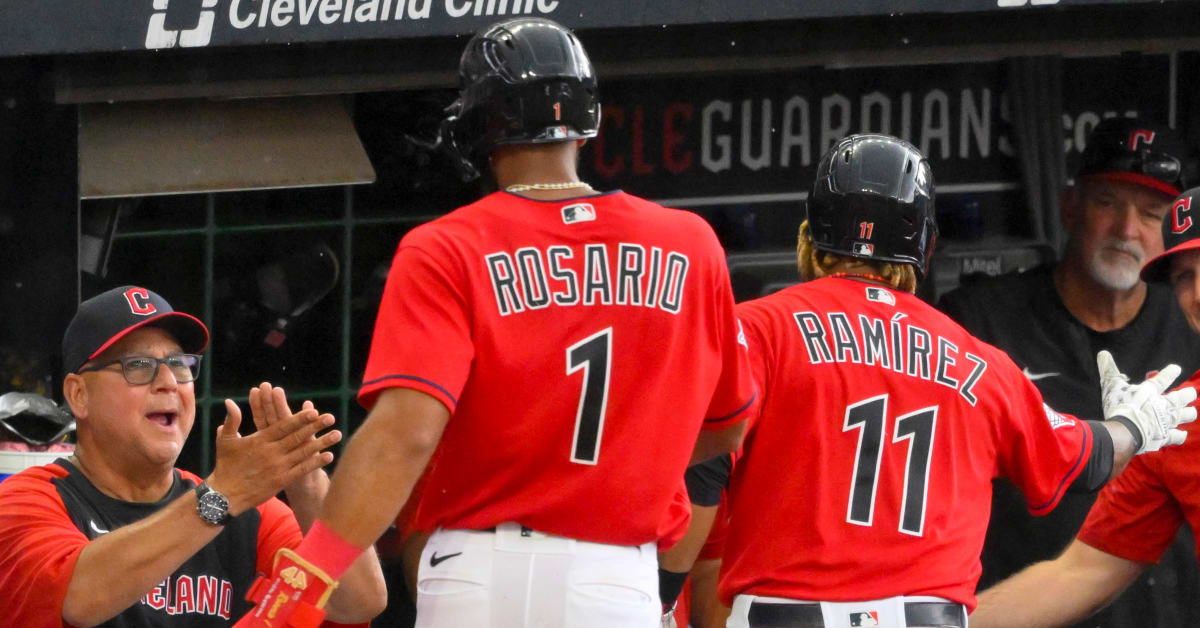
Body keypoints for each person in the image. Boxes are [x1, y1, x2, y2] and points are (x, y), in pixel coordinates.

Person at [236, 17, 756, 628]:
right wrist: (621, 462)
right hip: (616, 578)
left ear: (479, 125)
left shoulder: (448, 245)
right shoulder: (689, 243)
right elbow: (727, 426)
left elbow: (406, 434)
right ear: (586, 124)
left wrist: (312, 569)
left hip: (478, 571)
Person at [717, 134, 1196, 628]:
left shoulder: (755, 329)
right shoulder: (976, 358)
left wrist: (665, 590)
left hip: (783, 616)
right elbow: (1086, 458)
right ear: (925, 243)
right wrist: (1135, 426)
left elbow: (699, 459)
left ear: (812, 232)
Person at [938, 116, 1200, 627]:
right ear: (1070, 208)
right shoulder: (1175, 418)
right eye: (1187, 276)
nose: (1199, 294)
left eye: (1150, 214)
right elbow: (1078, 574)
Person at [0, 285, 386, 627]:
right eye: (139, 366)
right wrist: (223, 496)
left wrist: (306, 480)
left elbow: (357, 603)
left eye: (179, 365)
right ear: (79, 395)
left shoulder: (252, 515)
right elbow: (80, 600)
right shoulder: (25, 501)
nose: (168, 382)